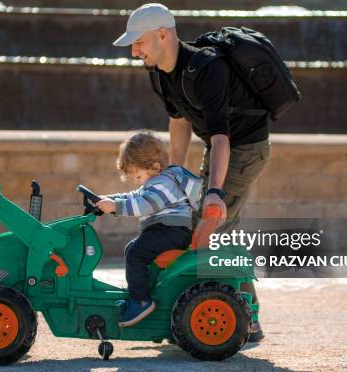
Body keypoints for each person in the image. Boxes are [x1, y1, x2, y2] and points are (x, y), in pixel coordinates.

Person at [113, 3, 270, 341]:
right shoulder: (158, 72)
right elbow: (179, 120)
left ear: (163, 34)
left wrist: (213, 191)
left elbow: (221, 136)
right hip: (221, 148)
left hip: (244, 147)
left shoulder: (207, 68)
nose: (134, 51)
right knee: (216, 224)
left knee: (210, 222)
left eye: (138, 42)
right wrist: (174, 172)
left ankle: (240, 318)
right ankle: (242, 315)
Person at [97, 131, 202, 327]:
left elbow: (144, 205)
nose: (136, 181)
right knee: (131, 249)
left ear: (153, 167)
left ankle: (141, 301)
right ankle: (142, 292)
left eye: (137, 176)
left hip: (172, 232)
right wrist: (109, 199)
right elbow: (133, 196)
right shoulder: (155, 181)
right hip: (165, 231)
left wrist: (116, 207)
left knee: (136, 253)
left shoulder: (162, 183)